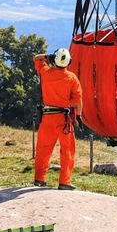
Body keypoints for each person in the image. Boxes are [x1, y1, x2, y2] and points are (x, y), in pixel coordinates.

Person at [33, 48, 83, 191]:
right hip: (64, 119)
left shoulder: (45, 73)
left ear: (54, 59)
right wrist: (78, 116)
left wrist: (47, 56)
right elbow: (77, 100)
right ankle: (64, 181)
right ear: (69, 62)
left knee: (43, 149)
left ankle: (39, 179)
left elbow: (37, 58)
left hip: (47, 117)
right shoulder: (72, 78)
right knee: (67, 150)